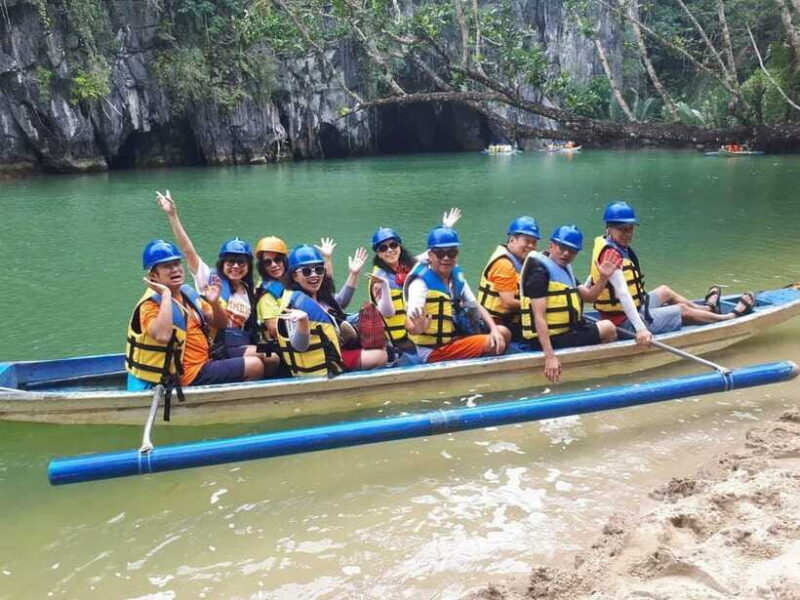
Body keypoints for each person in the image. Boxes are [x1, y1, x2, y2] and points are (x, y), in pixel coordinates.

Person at [588, 201, 755, 347]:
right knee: (681, 310)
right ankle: (728, 318)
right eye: (622, 229)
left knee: (664, 291)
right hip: (624, 323)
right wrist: (641, 329)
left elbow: (592, 278)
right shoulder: (611, 255)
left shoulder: (607, 243)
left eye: (630, 229)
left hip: (633, 309)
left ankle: (707, 308)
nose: (627, 234)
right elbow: (623, 294)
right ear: (609, 228)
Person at [125, 240, 272, 392]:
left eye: (177, 264)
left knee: (269, 355)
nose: (175, 269)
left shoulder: (187, 294)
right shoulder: (149, 305)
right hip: (187, 373)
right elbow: (162, 336)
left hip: (208, 356)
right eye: (167, 266)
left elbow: (221, 324)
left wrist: (214, 303)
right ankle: (232, 400)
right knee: (255, 365)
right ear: (153, 275)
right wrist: (166, 294)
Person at [155, 191, 264, 359]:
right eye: (230, 261)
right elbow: (188, 251)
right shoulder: (209, 280)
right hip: (216, 348)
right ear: (223, 264)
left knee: (269, 355)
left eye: (241, 262)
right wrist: (172, 215)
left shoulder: (249, 291)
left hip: (239, 346)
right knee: (263, 356)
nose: (235, 266)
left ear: (248, 266)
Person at [519, 225, 621, 383]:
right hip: (546, 340)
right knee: (608, 328)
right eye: (562, 248)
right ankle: (596, 371)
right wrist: (550, 356)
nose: (566, 253)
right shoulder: (538, 272)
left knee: (603, 326)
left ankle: (588, 366)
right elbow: (539, 316)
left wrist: (603, 278)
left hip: (565, 332)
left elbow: (589, 297)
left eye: (572, 251)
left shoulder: (564, 269)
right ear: (551, 245)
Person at [276, 245, 388, 377]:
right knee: (380, 356)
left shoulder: (321, 297)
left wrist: (354, 273)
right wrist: (303, 322)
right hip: (325, 364)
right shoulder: (294, 306)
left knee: (383, 342)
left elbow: (341, 303)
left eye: (319, 270)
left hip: (336, 352)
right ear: (295, 276)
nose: (314, 275)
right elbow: (299, 346)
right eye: (307, 271)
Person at [403, 226, 509, 363]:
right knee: (492, 342)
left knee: (502, 333)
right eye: (440, 253)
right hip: (434, 350)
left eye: (451, 253)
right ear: (430, 255)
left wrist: (493, 328)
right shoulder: (420, 284)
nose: (446, 258)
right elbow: (409, 322)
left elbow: (475, 304)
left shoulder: (456, 276)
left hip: (456, 337)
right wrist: (418, 328)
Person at [367, 208, 462, 353]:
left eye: (393, 245)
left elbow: (430, 254)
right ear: (378, 254)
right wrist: (385, 286)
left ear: (400, 246)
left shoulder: (406, 266)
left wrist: (445, 229)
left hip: (413, 330)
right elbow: (388, 313)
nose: (390, 250)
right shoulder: (379, 278)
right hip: (399, 341)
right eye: (383, 248)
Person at [477, 216, 540, 341]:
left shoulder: (521, 260)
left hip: (511, 321)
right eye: (527, 241)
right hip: (494, 324)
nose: (530, 246)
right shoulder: (504, 264)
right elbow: (508, 303)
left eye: (534, 242)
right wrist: (539, 305)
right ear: (512, 240)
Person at [254, 235, 290, 342]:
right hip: (281, 346)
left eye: (277, 260)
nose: (273, 265)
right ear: (263, 267)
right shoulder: (266, 296)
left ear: (284, 261)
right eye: (267, 262)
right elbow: (274, 331)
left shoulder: (292, 282)